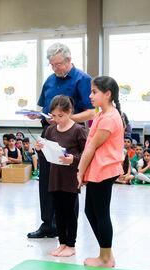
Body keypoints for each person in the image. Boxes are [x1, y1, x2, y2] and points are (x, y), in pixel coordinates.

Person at [27, 42, 94, 239]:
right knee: (47, 181)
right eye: (52, 65)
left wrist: (66, 119)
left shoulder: (82, 79)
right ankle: (48, 224)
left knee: (68, 184)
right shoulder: (49, 80)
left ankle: (66, 228)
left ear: (68, 60)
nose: (56, 68)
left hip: (71, 136)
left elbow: (91, 111)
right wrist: (37, 115)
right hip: (49, 134)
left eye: (58, 64)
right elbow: (43, 109)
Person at [77, 76, 124, 268]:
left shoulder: (110, 118)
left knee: (101, 213)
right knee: (91, 211)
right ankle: (106, 254)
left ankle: (105, 258)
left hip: (105, 169)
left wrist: (80, 171)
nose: (90, 96)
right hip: (99, 168)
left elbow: (91, 147)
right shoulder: (102, 115)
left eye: (94, 92)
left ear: (108, 94)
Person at [35, 95, 86, 257]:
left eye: (61, 116)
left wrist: (73, 159)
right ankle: (62, 242)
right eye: (54, 116)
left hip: (70, 177)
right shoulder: (50, 130)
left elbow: (86, 154)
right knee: (58, 212)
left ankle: (71, 244)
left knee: (70, 212)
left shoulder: (78, 130)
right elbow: (45, 154)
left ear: (69, 112)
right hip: (55, 176)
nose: (57, 120)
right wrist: (38, 149)